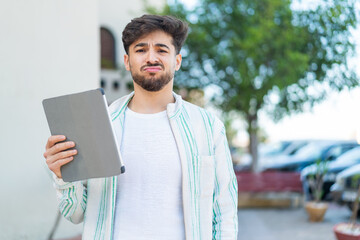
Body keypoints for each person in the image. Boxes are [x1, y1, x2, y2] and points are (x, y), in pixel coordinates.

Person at [44, 14, 238, 239]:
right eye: (141, 50)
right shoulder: (99, 125)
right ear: (127, 61)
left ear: (177, 61)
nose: (151, 58)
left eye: (162, 50)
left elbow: (224, 212)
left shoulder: (208, 127)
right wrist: (61, 175)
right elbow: (76, 213)